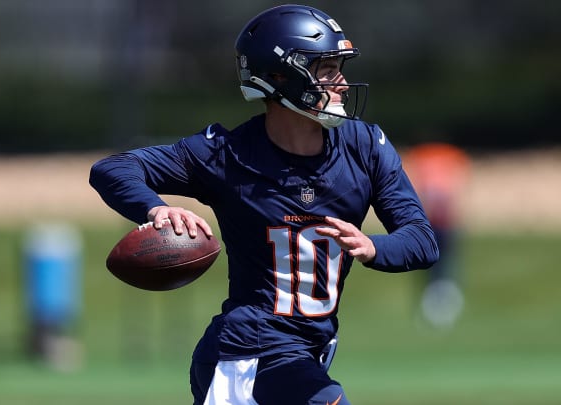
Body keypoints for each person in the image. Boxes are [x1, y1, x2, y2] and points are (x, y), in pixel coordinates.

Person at [90, 5, 438, 404]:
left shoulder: (365, 148)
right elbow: (113, 169)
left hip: (306, 351)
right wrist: (155, 208)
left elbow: (422, 240)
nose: (341, 83)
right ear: (280, 77)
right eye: (326, 70)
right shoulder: (227, 153)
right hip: (247, 354)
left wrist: (375, 246)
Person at [402, 143, 470, 329]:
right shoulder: (425, 157)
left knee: (444, 268)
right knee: (429, 269)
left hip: (443, 223)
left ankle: (444, 307)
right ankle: (431, 307)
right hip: (428, 223)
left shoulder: (449, 157)